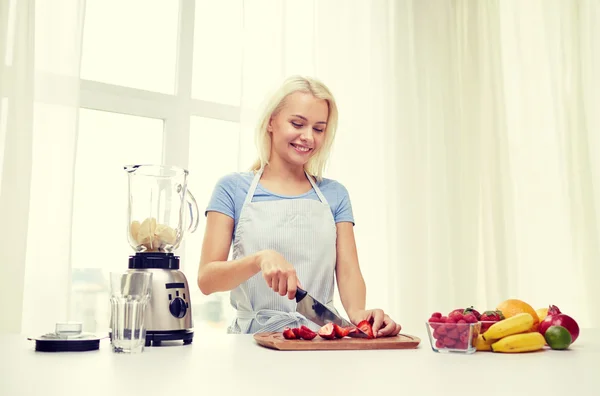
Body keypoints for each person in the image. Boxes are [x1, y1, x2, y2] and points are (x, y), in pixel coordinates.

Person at [197, 75, 401, 338]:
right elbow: (207, 279)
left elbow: (349, 272)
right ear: (271, 121)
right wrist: (259, 259)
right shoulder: (232, 189)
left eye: (318, 129)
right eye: (297, 123)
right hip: (253, 345)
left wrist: (363, 316)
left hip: (320, 342)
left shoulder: (334, 195)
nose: (308, 137)